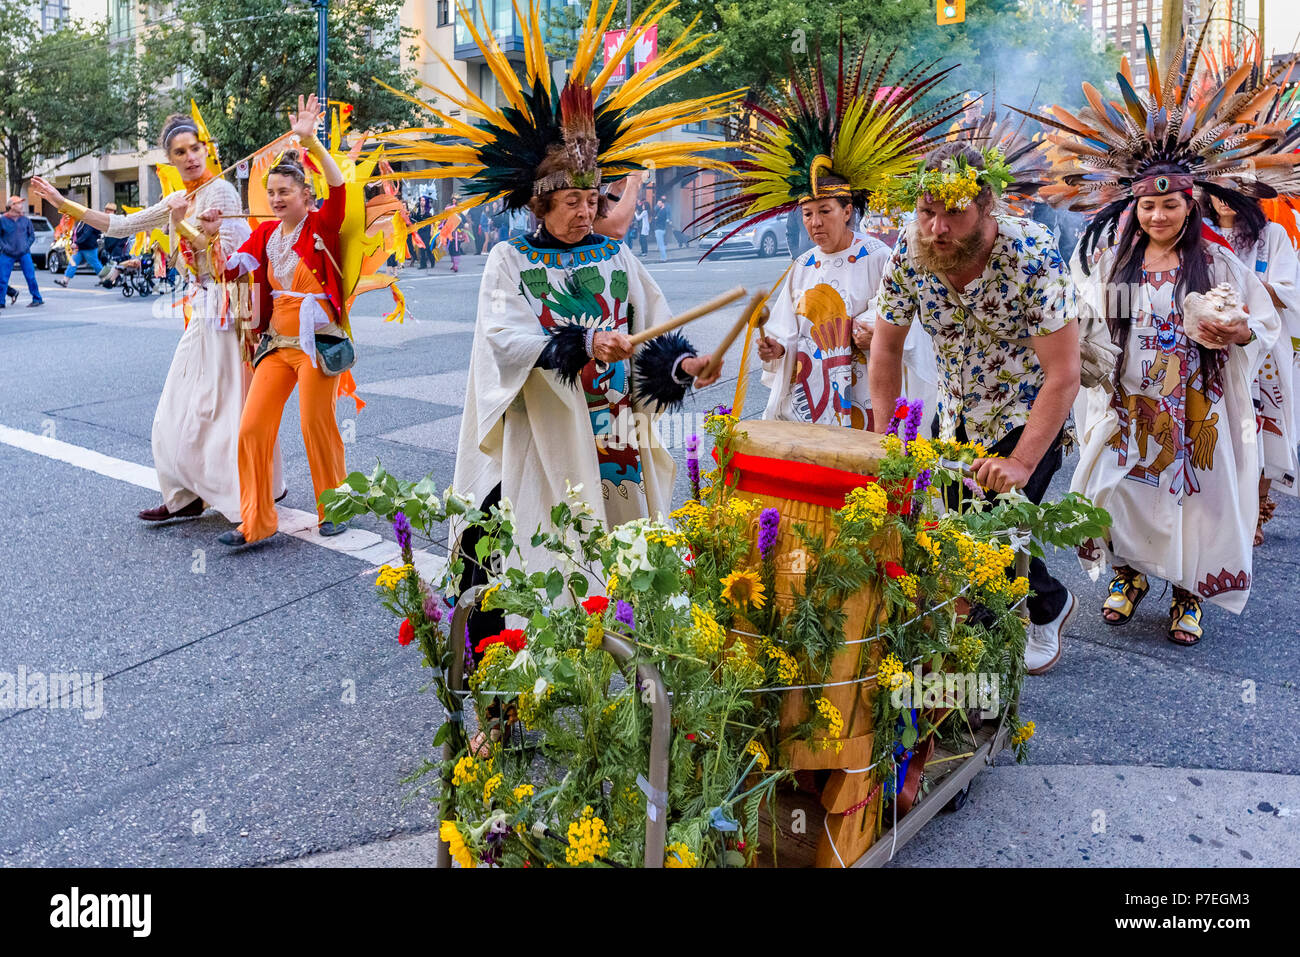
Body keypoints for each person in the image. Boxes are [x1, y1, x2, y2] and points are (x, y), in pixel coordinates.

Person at [376, 0, 733, 644]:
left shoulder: (617, 256)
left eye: (592, 200)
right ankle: (506, 698)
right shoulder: (508, 260)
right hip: (542, 439)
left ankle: (619, 692)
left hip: (613, 439)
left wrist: (683, 366)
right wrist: (586, 341)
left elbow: (653, 332)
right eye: (572, 201)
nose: (585, 212)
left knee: (619, 567)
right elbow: (506, 340)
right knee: (526, 559)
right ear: (541, 201)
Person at [1034, 23, 1287, 644]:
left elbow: (1264, 319)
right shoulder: (1111, 258)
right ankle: (1127, 576)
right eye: (1148, 206)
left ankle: (1187, 591)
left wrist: (1236, 330)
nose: (1158, 214)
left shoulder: (1221, 262)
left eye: (1170, 205)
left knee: (1193, 498)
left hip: (1194, 403)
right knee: (1118, 491)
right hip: (1125, 397)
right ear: (1134, 208)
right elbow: (1078, 312)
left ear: (1191, 203)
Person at [870, 141, 1079, 674]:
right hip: (956, 414)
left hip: (1025, 413)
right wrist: (883, 442)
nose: (938, 229)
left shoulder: (1031, 255)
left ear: (987, 206)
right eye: (927, 212)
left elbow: (1063, 373)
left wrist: (1022, 462)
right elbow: (886, 348)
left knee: (990, 538)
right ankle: (1049, 602)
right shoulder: (910, 248)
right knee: (966, 533)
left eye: (954, 213)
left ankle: (976, 681)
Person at [31, 110, 283, 523]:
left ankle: (247, 492)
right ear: (170, 159)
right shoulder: (175, 200)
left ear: (206, 150)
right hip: (201, 313)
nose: (189, 158)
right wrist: (63, 204)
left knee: (223, 411)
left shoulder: (221, 193)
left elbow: (235, 262)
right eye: (179, 152)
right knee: (174, 411)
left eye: (194, 149)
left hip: (230, 311)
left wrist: (187, 230)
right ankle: (185, 495)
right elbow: (119, 225)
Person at [699, 46, 950, 430]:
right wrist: (775, 347)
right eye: (808, 214)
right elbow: (785, 329)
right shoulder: (802, 266)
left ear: (848, 211)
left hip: (867, 391)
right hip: (811, 394)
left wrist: (874, 332)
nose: (815, 223)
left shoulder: (880, 258)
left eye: (825, 212)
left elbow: (906, 321)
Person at [208, 94, 353, 547]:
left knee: (316, 423)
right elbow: (230, 268)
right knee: (252, 427)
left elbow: (340, 186)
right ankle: (256, 521)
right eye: (271, 193)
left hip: (316, 341)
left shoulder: (321, 226)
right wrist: (205, 231)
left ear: (305, 196)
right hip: (277, 344)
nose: (275, 199)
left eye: (284, 193)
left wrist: (311, 142)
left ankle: (337, 507)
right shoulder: (267, 232)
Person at [1201, 192, 1300, 544]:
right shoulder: (1197, 232)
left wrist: (1242, 295)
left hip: (1262, 349)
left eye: (1235, 191)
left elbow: (1290, 291)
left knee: (1258, 434)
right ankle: (1218, 512)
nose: (1224, 200)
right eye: (1218, 191)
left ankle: (1256, 513)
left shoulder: (1271, 235)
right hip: (1212, 346)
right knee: (1218, 430)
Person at [0, 195, 45, 310]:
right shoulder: (3, 220)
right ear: (11, 206)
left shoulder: (25, 220)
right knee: (3, 279)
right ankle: (1, 301)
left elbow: (32, 236)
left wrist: (26, 246)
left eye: (21, 203)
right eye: (18, 203)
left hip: (24, 253)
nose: (21, 205)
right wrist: (5, 247)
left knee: (31, 277)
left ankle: (37, 299)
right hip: (7, 253)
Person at [53, 214, 103, 288]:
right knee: (72, 263)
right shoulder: (80, 223)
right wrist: (72, 241)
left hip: (89, 248)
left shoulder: (89, 223)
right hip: (80, 248)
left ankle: (106, 279)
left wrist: (76, 243)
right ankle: (65, 281)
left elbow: (86, 235)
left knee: (95, 264)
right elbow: (76, 235)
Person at [652, 197, 669, 262]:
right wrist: (656, 218)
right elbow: (656, 217)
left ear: (662, 203)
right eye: (657, 203)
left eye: (659, 203)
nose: (657, 205)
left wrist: (656, 218)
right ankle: (662, 257)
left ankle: (664, 258)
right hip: (659, 229)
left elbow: (657, 219)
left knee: (661, 244)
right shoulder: (660, 210)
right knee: (660, 244)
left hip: (660, 229)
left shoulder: (663, 211)